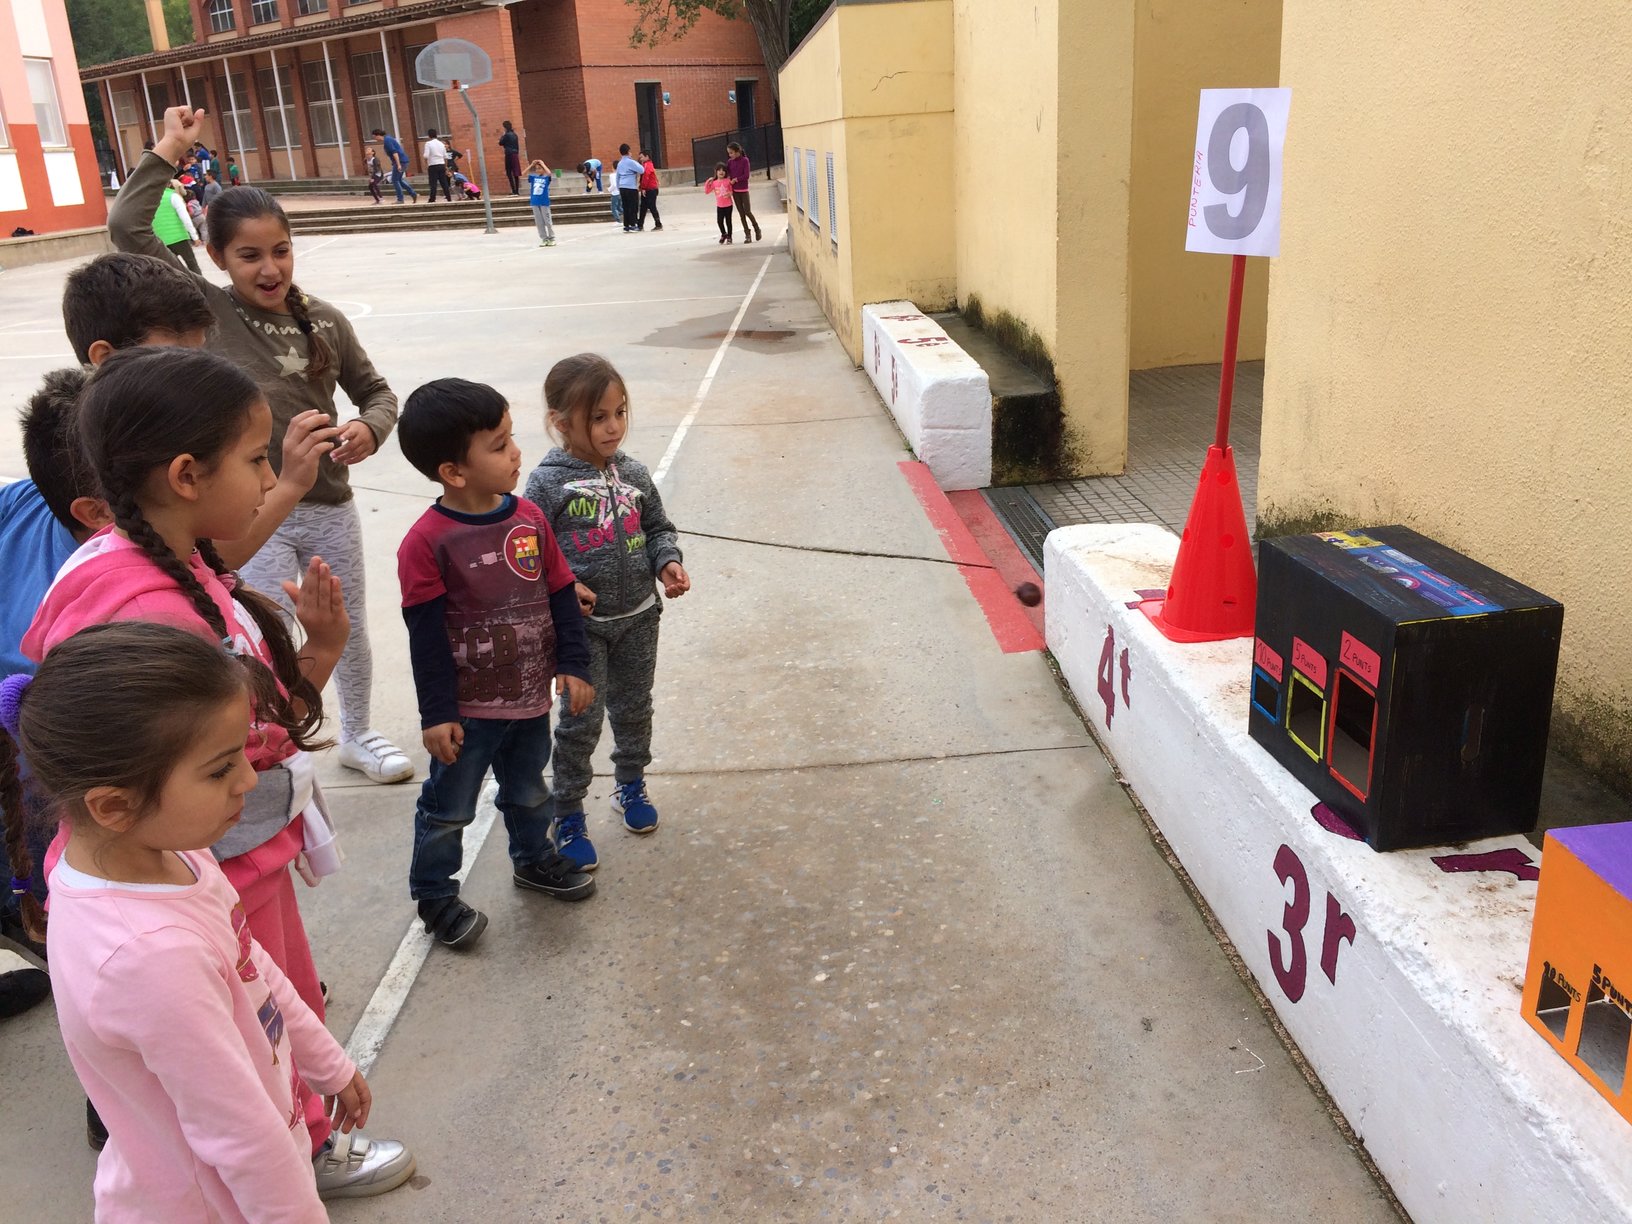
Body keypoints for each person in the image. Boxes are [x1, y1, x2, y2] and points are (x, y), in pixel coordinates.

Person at [22, 347, 414, 1196]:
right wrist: (320, 653)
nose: (271, 479)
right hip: (226, 853)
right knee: (249, 1035)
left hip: (217, 852)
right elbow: (246, 739)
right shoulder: (153, 609)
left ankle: (309, 1138)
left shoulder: (142, 557)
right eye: (256, 461)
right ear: (186, 475)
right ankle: (308, 1158)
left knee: (277, 997)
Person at [3, 621, 404, 1220]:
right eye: (220, 770)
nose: (249, 779)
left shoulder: (176, 854)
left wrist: (326, 1062)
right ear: (113, 805)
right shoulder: (149, 956)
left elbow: (251, 966)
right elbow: (243, 1139)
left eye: (243, 753)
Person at [110, 107, 415, 786]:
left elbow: (377, 392)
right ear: (217, 256)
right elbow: (127, 226)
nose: (270, 267)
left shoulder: (325, 320)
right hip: (244, 514)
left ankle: (358, 733)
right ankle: (274, 738)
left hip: (328, 503)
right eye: (249, 255)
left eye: (281, 250)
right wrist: (171, 147)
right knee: (262, 629)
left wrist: (370, 428)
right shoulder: (208, 309)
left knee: (343, 624)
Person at [396, 378, 598, 948]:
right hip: (469, 712)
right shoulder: (427, 543)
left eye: (511, 437)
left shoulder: (529, 519)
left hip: (530, 700)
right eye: (499, 444)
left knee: (530, 790)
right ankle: (434, 896)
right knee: (449, 809)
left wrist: (574, 663)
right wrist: (437, 714)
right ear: (453, 472)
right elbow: (425, 637)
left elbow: (560, 592)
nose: (515, 452)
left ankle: (532, 860)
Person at [524, 354, 690, 872]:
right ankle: (568, 811)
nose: (613, 426)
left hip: (640, 617)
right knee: (580, 722)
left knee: (635, 708)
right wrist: (563, 585)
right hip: (582, 631)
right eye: (598, 417)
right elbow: (530, 552)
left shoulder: (634, 473)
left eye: (619, 412)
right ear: (560, 421)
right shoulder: (546, 485)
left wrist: (667, 561)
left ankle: (630, 784)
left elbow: (659, 528)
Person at [155, 177, 201, 271]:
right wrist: (195, 236)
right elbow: (185, 217)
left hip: (161, 240)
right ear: (169, 184)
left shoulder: (150, 200)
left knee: (169, 270)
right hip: (180, 237)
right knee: (192, 265)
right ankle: (198, 281)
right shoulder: (173, 196)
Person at [725, 141, 763, 243]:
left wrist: (736, 179)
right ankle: (747, 234)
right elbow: (725, 172)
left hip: (743, 190)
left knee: (747, 211)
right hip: (735, 191)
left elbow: (746, 175)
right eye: (729, 153)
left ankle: (757, 228)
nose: (730, 155)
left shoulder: (745, 160)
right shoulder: (730, 162)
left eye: (731, 153)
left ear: (738, 151)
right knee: (741, 214)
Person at [370, 125, 417, 203]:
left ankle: (400, 199)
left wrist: (398, 164)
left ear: (378, 135)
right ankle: (413, 193)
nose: (375, 139)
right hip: (403, 161)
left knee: (395, 180)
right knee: (399, 180)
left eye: (375, 137)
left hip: (400, 161)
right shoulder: (388, 138)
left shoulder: (387, 141)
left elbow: (395, 153)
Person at [614, 143, 643, 233]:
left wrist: (618, 187)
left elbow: (617, 176)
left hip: (622, 187)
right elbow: (642, 170)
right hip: (631, 187)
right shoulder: (631, 162)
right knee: (633, 206)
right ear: (628, 151)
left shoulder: (620, 163)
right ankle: (633, 224)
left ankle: (626, 225)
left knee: (625, 206)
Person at [527, 158, 555, 247]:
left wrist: (543, 164)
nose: (538, 170)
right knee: (539, 222)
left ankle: (552, 238)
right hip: (535, 202)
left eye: (540, 168)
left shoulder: (546, 178)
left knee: (547, 221)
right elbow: (522, 174)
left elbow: (549, 173)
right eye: (536, 169)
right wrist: (531, 165)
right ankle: (544, 238)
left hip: (544, 202)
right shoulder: (533, 178)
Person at [705, 163, 735, 244]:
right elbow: (707, 191)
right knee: (719, 221)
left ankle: (729, 236)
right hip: (720, 206)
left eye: (723, 170)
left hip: (728, 205)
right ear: (716, 172)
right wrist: (708, 182)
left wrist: (730, 193)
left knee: (728, 221)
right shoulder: (714, 183)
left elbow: (731, 190)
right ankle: (724, 234)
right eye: (719, 170)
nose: (721, 172)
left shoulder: (728, 181)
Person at [423, 127, 452, 203]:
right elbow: (445, 157)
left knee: (433, 183)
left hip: (433, 165)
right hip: (441, 164)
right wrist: (445, 167)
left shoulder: (428, 144)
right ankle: (448, 197)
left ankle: (432, 198)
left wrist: (426, 164)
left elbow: (426, 156)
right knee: (444, 182)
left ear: (429, 136)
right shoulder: (441, 144)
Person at [637, 150, 662, 232]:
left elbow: (646, 177)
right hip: (650, 188)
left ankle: (658, 224)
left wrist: (643, 187)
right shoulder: (648, 165)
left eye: (641, 157)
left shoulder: (647, 165)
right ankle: (640, 225)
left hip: (650, 189)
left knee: (651, 206)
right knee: (643, 207)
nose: (640, 159)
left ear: (647, 156)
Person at [499, 120, 522, 195]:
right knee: (516, 172)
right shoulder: (515, 135)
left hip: (509, 154)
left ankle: (513, 190)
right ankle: (517, 191)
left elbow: (500, 143)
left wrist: (503, 135)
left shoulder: (506, 135)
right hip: (515, 154)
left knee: (509, 172)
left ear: (505, 127)